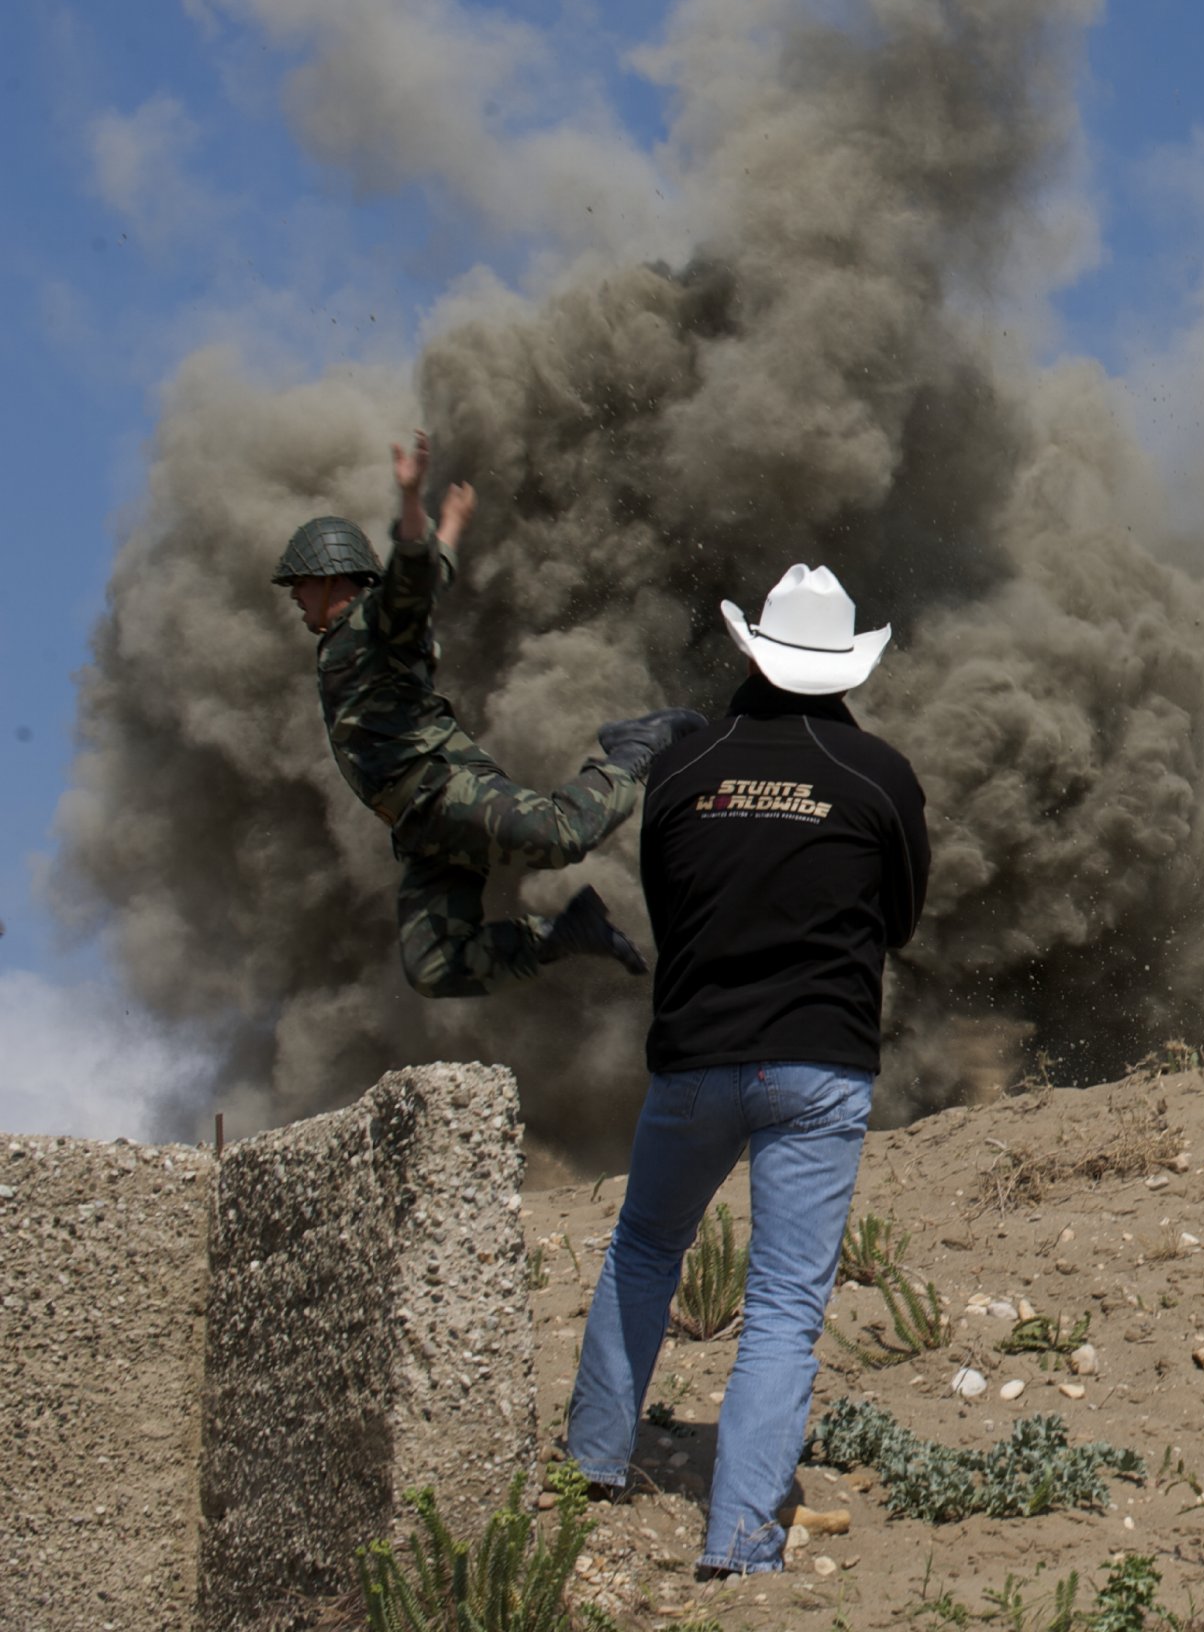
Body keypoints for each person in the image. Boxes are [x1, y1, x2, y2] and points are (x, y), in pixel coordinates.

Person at [564, 562, 930, 1579]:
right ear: (846, 667)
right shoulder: (879, 774)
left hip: (693, 1057)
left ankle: (591, 1461)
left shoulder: (683, 770)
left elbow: (669, 904)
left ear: (753, 652)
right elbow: (899, 919)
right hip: (817, 1066)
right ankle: (738, 1544)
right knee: (780, 1306)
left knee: (644, 1247)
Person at [272, 430, 704, 995]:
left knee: (562, 834)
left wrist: (412, 500)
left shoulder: (374, 622)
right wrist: (451, 524)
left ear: (332, 575)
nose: (294, 594)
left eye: (300, 582)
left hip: (445, 790)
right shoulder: (352, 634)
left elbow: (414, 576)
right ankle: (566, 933)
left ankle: (635, 748)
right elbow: (434, 575)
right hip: (421, 825)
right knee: (434, 967)